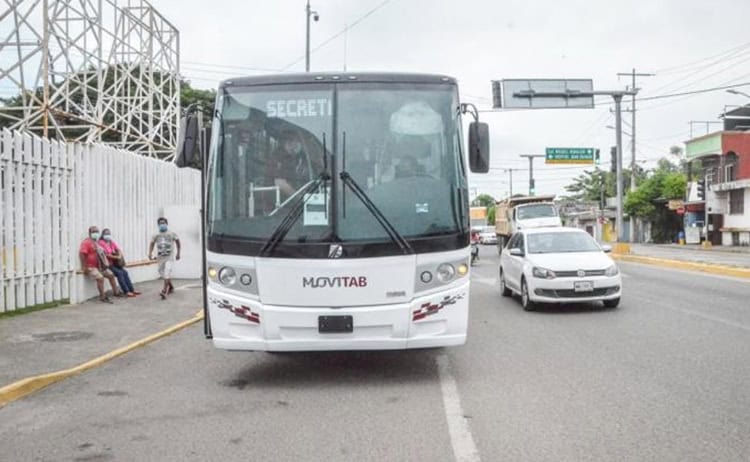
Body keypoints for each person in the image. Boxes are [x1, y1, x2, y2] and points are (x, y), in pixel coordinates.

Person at [79, 225, 120, 303]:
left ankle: (116, 292)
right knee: (100, 278)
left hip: (100, 266)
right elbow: (82, 254)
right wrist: (84, 267)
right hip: (91, 267)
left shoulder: (96, 242)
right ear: (89, 233)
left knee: (111, 275)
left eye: (97, 231)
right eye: (94, 232)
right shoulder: (86, 242)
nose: (96, 233)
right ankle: (102, 296)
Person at [99, 228, 140, 298]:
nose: (107, 235)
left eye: (109, 234)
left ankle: (131, 290)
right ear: (102, 235)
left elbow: (118, 249)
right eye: (106, 234)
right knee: (119, 273)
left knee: (125, 272)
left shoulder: (111, 242)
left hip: (115, 263)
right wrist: (116, 257)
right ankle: (126, 291)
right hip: (108, 264)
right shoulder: (101, 243)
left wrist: (120, 255)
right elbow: (105, 254)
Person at [148, 217, 181, 300]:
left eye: (163, 223)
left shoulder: (171, 233)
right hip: (160, 258)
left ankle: (164, 291)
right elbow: (151, 244)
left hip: (169, 257)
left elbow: (178, 243)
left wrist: (178, 253)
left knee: (167, 272)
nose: (162, 225)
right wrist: (150, 253)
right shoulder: (156, 235)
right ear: (158, 225)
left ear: (166, 224)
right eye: (160, 223)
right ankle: (171, 287)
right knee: (162, 273)